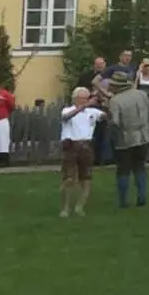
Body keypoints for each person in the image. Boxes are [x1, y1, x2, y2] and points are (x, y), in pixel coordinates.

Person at [57, 86, 106, 218]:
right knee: (68, 179)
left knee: (86, 179)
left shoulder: (93, 112)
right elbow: (66, 117)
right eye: (82, 98)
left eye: (86, 98)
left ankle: (80, 207)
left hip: (87, 146)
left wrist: (104, 100)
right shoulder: (68, 109)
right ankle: (65, 208)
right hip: (71, 146)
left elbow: (106, 116)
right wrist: (84, 106)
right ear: (75, 98)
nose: (85, 100)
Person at [109, 79, 149, 210]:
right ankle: (142, 197)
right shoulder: (142, 95)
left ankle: (123, 201)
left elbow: (115, 122)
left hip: (125, 138)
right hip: (143, 136)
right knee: (140, 167)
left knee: (123, 169)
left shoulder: (115, 100)